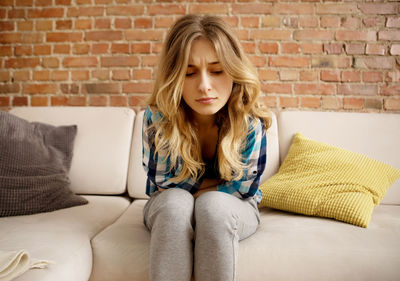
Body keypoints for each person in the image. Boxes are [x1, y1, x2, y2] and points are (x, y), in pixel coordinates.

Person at [142, 14, 271, 281]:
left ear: (234, 71)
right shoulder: (158, 117)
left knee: (212, 207)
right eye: (189, 73)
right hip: (169, 206)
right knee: (176, 204)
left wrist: (198, 195)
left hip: (237, 208)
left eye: (216, 70)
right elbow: (164, 185)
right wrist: (213, 186)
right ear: (174, 76)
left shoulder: (250, 122)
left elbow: (244, 189)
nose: (204, 86)